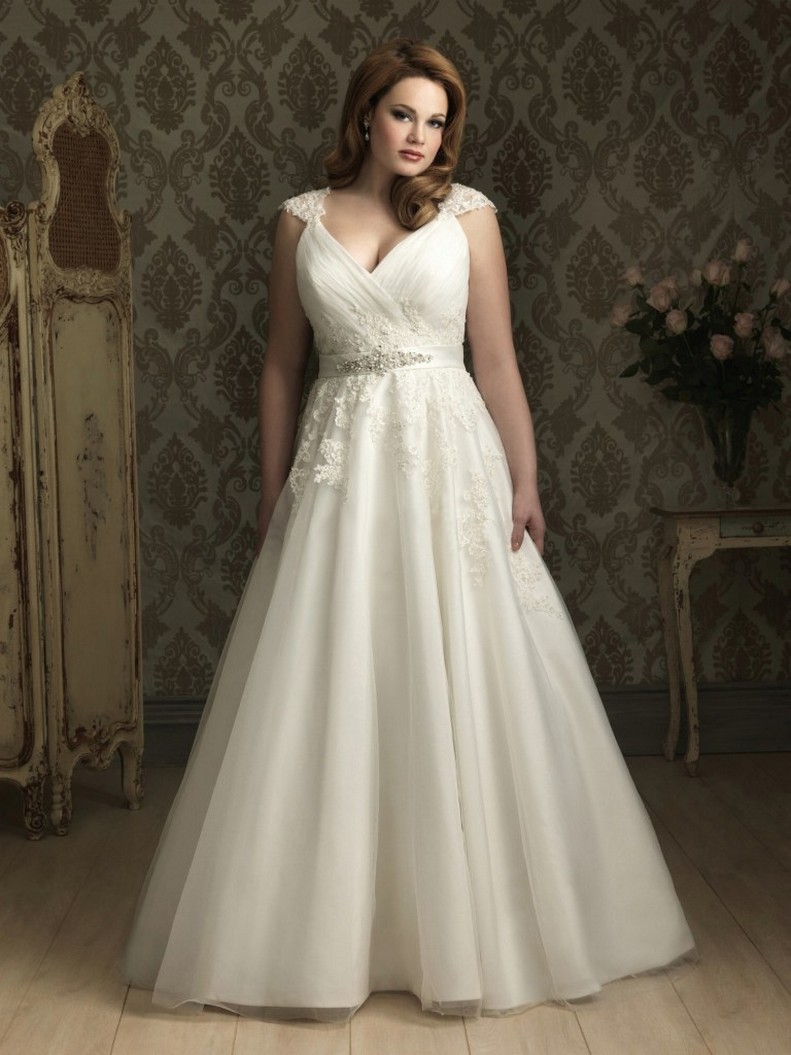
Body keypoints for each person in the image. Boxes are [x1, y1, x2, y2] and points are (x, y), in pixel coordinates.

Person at [123, 38, 695, 1021]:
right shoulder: (299, 221)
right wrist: (271, 489)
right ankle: (319, 935)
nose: (421, 136)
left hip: (448, 459)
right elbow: (280, 365)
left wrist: (524, 478)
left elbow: (496, 359)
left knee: (464, 669)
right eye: (403, 114)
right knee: (336, 674)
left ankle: (475, 927)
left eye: (436, 120)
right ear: (364, 115)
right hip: (340, 467)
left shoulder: (469, 216)